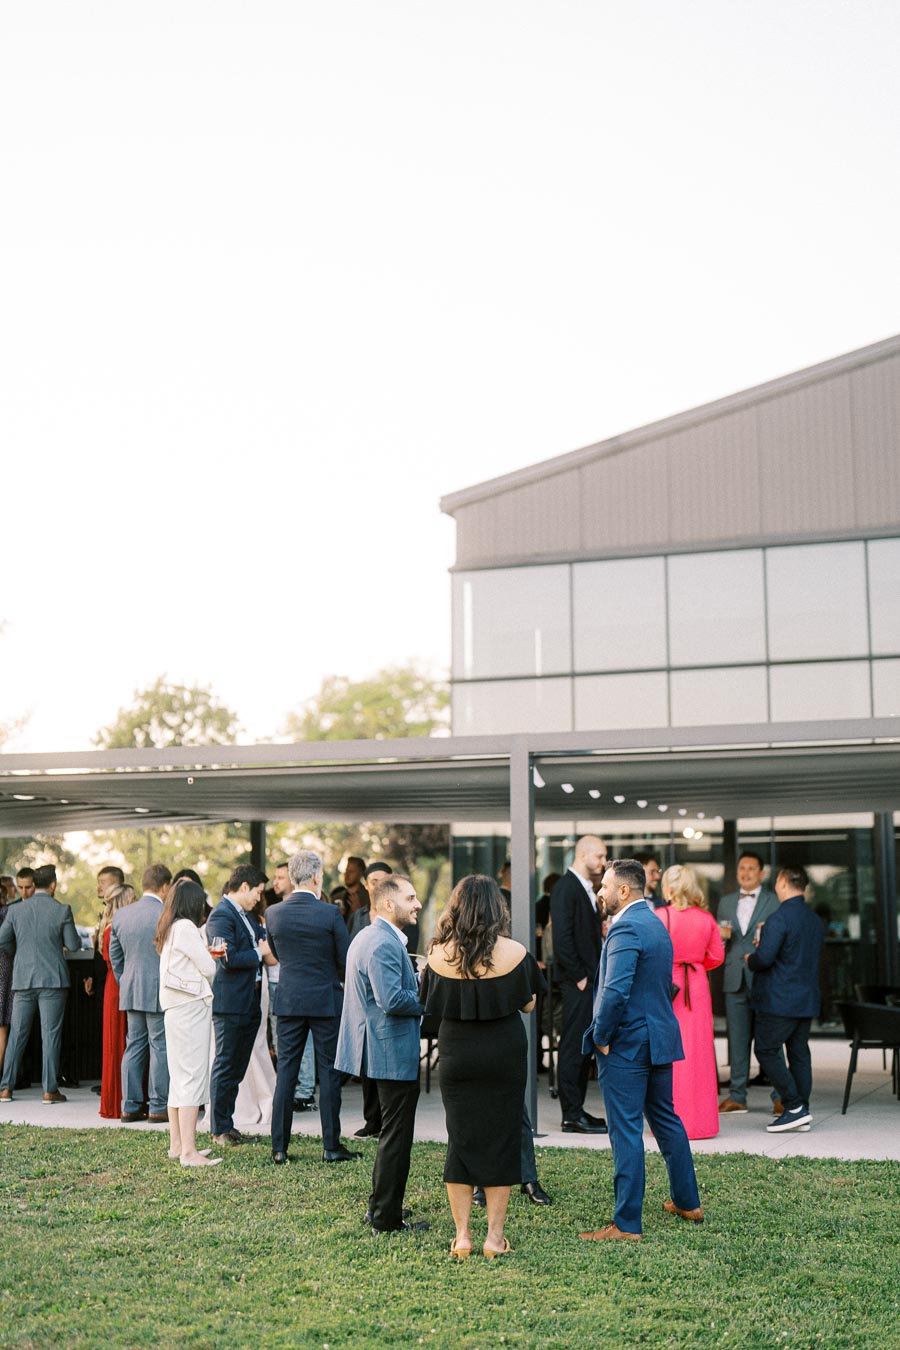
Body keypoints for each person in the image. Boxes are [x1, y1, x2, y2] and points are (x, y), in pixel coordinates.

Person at [421, 874, 545, 1259]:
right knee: (503, 1138)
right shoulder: (516, 953)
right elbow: (528, 1005)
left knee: (460, 1139)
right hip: (504, 1053)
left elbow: (429, 1008)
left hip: (458, 1053)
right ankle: (494, 1238)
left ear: (455, 907)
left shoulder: (438, 955)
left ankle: (462, 1237)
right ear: (497, 908)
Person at [580, 858, 702, 1242]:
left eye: (604, 886)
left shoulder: (626, 928)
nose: (599, 892)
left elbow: (615, 992)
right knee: (666, 1120)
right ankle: (688, 1202)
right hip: (657, 1038)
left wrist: (601, 1034)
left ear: (624, 891)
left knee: (626, 1130)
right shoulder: (654, 924)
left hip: (628, 1044)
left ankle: (627, 1224)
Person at [335, 874, 428, 1234]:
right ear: (389, 904)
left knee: (391, 1135)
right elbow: (392, 1000)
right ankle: (386, 1219)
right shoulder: (383, 943)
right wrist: (427, 992)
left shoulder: (370, 936)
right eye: (411, 897)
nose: (417, 903)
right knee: (396, 1138)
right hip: (391, 1052)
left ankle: (379, 1209)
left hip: (381, 1049)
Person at [267, 850, 355, 1165]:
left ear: (292, 877)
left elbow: (276, 953)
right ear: (316, 877)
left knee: (286, 1074)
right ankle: (331, 1145)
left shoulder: (274, 913)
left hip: (289, 998)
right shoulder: (330, 914)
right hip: (324, 999)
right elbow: (345, 959)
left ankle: (279, 1147)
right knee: (329, 1072)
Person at [747, 865, 825, 1133]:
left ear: (782, 883)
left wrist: (750, 958)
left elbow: (764, 959)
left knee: (766, 1049)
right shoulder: (814, 920)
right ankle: (801, 1109)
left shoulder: (778, 919)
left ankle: (793, 1106)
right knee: (799, 1053)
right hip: (805, 998)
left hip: (778, 999)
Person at [0, 864, 81, 1104]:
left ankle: (5, 1088)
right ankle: (49, 1090)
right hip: (53, 980)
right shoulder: (62, 910)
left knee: (17, 1034)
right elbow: (74, 945)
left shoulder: (16, 911)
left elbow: (2, 941)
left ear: (34, 885)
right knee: (50, 1035)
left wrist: (19, 952)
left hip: (23, 979)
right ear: (53, 884)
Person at [156, 877, 223, 1166]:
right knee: (192, 1077)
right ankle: (189, 1152)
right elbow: (209, 969)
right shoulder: (187, 928)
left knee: (179, 1077)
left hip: (175, 1009)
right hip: (190, 1008)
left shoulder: (170, 927)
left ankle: (178, 1145)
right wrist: (211, 954)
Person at [655, 865, 724, 1139]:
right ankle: (703, 1122)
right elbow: (716, 957)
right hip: (696, 985)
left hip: (669, 986)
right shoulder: (706, 918)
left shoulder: (660, 916)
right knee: (700, 1052)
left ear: (669, 888)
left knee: (671, 1053)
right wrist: (696, 963)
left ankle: (671, 1120)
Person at [206, 864, 272, 1147]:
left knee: (237, 1068)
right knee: (225, 1066)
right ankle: (219, 1128)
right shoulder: (220, 915)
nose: (259, 898)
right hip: (231, 1004)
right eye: (257, 892)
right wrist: (259, 952)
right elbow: (223, 957)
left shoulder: (246, 916)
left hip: (250, 1002)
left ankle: (228, 1124)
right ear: (244, 886)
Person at [549, 835, 608, 1133]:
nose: (603, 862)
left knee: (583, 1047)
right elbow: (562, 939)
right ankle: (571, 1114)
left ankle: (578, 1110)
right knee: (574, 1047)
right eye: (598, 856)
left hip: (586, 981)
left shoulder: (584, 889)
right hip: (578, 984)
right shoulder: (565, 888)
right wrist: (580, 978)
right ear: (582, 854)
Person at [109, 862, 173, 1124]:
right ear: (165, 886)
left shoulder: (122, 915)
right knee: (160, 1046)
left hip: (131, 987)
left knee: (134, 1045)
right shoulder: (167, 914)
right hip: (159, 988)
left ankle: (130, 1105)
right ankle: (158, 1106)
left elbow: (115, 954)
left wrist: (125, 979)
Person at [717, 852, 779, 1114]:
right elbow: (719, 940)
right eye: (742, 868)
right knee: (738, 1041)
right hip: (734, 978)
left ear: (762, 873)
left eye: (751, 868)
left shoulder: (774, 901)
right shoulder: (726, 902)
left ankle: (781, 1095)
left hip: (765, 978)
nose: (745, 872)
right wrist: (721, 939)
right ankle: (737, 1096)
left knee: (771, 1040)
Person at [348, 861, 394, 1140]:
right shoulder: (359, 915)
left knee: (384, 1059)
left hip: (385, 991)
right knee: (366, 1061)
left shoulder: (398, 911)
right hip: (362, 995)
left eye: (383, 880)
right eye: (373, 880)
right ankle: (371, 1120)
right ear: (366, 885)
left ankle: (386, 1119)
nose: (377, 885)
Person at [269, 861, 316, 1112]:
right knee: (281, 1040)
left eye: (280, 877)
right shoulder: (274, 910)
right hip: (276, 982)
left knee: (303, 1039)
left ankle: (304, 1091)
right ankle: (289, 1088)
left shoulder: (299, 911)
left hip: (290, 982)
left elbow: (273, 952)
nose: (275, 882)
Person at [232, 882, 278, 1133]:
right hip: (239, 990)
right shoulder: (228, 919)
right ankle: (242, 1104)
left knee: (257, 1044)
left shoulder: (260, 921)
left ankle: (265, 1100)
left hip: (259, 987)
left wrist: (262, 951)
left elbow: (271, 957)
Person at [97, 883, 136, 1119]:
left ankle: (119, 1100)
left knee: (120, 1044)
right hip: (119, 985)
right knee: (118, 1045)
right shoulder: (115, 929)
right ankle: (117, 1102)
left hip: (115, 984)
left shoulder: (109, 927)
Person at [0, 874, 24, 1082]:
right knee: (3, 1027)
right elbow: (8, 941)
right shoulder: (8, 912)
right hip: (5, 968)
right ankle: (3, 1080)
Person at [342, 856, 369, 921]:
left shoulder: (368, 898)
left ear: (360, 874)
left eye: (351, 871)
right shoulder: (337, 896)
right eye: (346, 871)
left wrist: (358, 911)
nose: (347, 875)